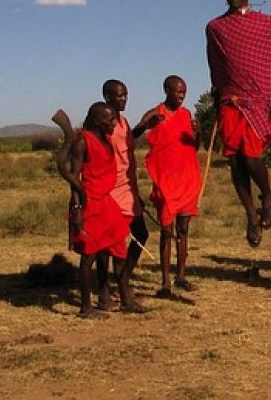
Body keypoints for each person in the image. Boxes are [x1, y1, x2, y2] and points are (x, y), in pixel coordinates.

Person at [206, 0, 271, 247]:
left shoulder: (264, 23)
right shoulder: (216, 27)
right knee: (236, 161)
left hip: (260, 98)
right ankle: (251, 215)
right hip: (230, 100)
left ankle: (268, 194)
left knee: (251, 156)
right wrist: (216, 92)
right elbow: (214, 63)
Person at [60, 102, 130, 318]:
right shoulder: (83, 142)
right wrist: (78, 209)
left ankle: (126, 299)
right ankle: (86, 306)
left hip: (106, 203)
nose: (114, 123)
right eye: (110, 120)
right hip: (89, 203)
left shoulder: (107, 139)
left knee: (119, 248)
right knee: (89, 256)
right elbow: (75, 178)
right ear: (99, 121)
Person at [141, 75, 202, 297]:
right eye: (178, 91)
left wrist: (200, 132)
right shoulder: (156, 113)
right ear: (167, 90)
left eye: (184, 91)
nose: (181, 95)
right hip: (165, 180)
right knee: (166, 231)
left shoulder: (187, 115)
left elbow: (195, 146)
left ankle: (181, 276)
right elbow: (136, 133)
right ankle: (165, 281)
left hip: (186, 179)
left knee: (183, 229)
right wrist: (147, 124)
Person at [100, 79, 154, 312]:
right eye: (119, 96)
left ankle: (122, 281)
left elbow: (127, 142)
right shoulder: (104, 123)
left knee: (141, 234)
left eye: (125, 95)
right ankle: (108, 292)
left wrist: (144, 126)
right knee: (109, 244)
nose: (124, 99)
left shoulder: (122, 122)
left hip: (128, 188)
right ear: (107, 97)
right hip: (110, 190)